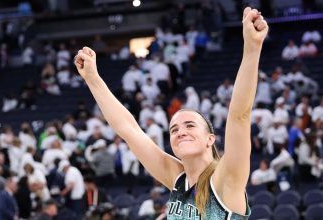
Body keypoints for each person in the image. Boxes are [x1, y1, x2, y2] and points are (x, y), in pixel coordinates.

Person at [74, 7, 268, 219]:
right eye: (174, 129)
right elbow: (129, 130)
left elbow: (239, 117)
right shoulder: (177, 178)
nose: (180, 131)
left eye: (190, 125)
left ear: (210, 139)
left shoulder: (225, 179)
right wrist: (93, 79)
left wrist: (252, 48)